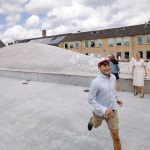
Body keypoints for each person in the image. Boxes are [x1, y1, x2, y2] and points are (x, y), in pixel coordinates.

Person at [88, 57, 123, 150]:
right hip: (99, 113)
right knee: (96, 125)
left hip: (112, 111)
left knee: (116, 137)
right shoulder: (95, 82)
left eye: (108, 65)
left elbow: (113, 90)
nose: (107, 67)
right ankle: (92, 121)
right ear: (99, 67)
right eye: (104, 66)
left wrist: (117, 98)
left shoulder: (113, 77)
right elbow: (91, 99)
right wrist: (104, 109)